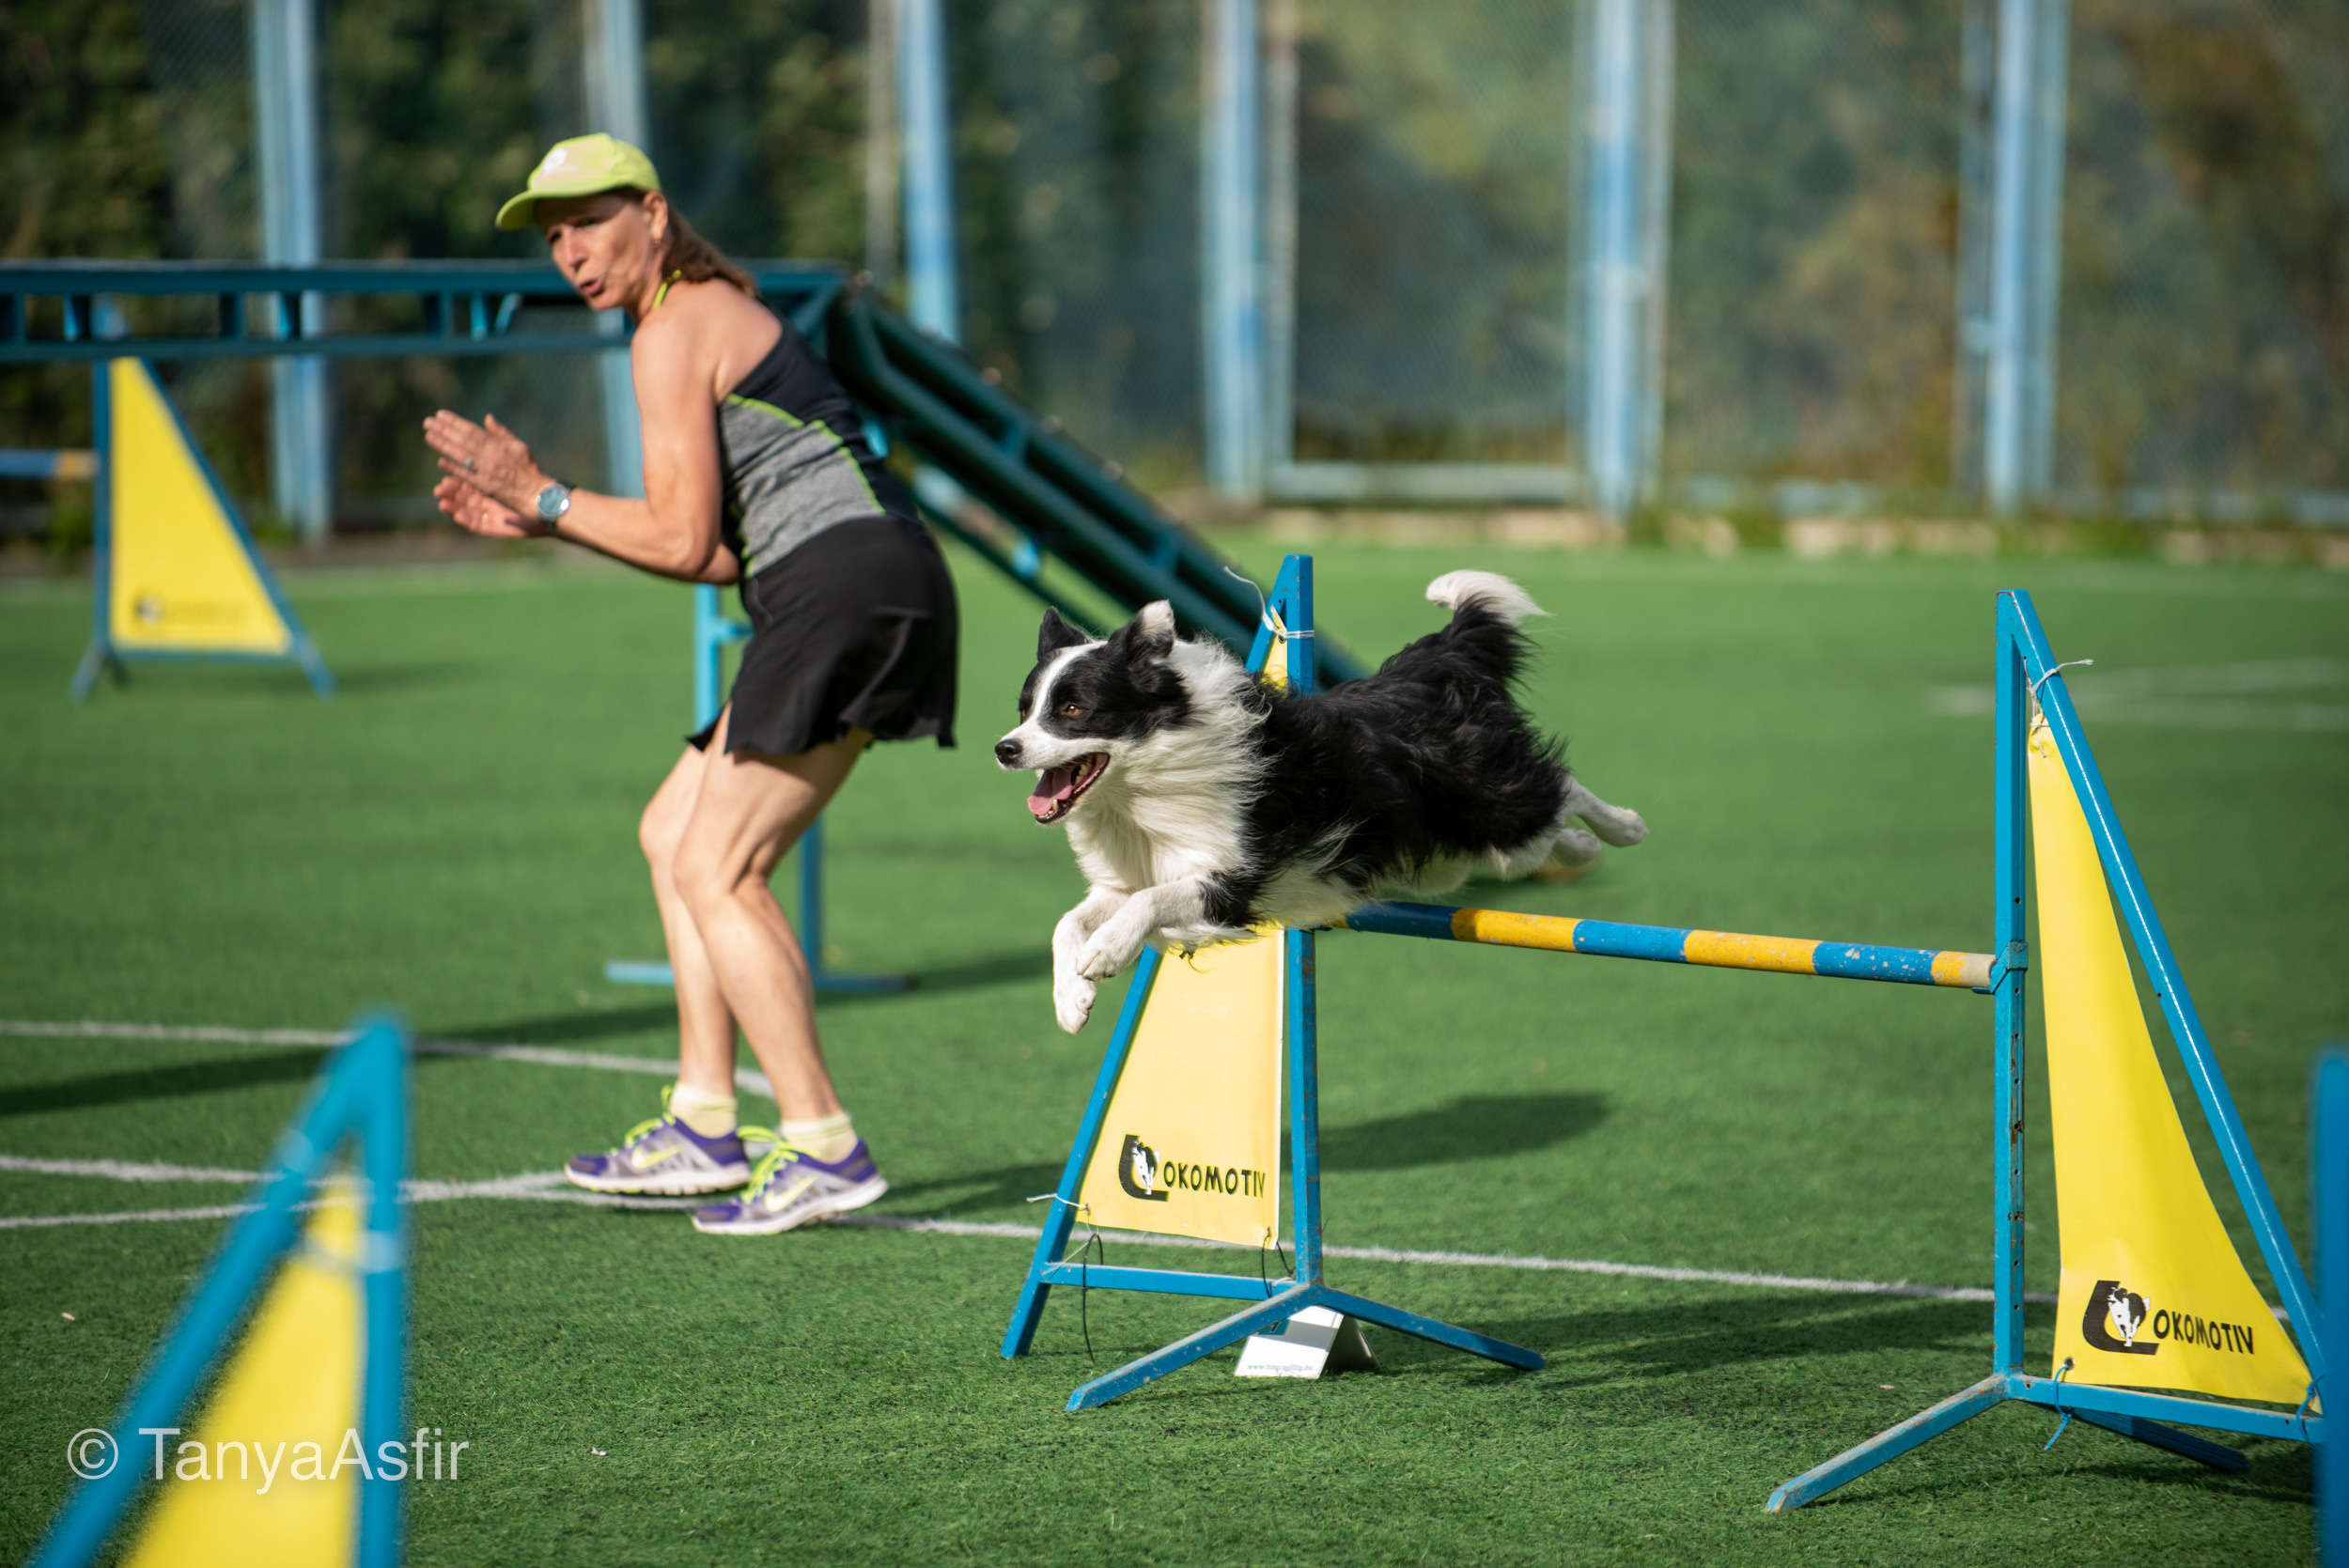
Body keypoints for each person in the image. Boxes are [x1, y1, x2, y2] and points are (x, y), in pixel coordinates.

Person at [423, 133, 957, 1236]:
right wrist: (541, 512)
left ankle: (822, 1145)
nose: (570, 249)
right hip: (852, 580)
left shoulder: (673, 326)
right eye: (552, 232)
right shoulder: (682, 317)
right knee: (675, 833)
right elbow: (710, 550)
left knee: (720, 863)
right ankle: (708, 1123)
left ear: (654, 216)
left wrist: (549, 495)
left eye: (589, 220)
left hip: (845, 584)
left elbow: (675, 539)